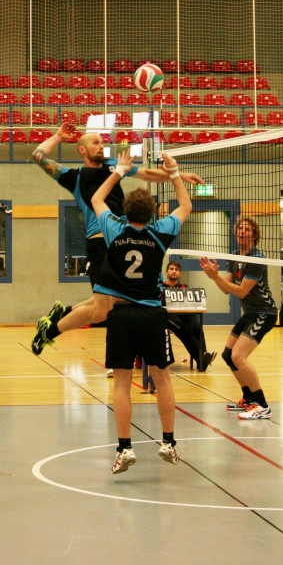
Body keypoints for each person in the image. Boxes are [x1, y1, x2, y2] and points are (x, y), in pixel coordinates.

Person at [28, 123, 203, 356]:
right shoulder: (74, 177)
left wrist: (178, 175)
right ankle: (49, 331)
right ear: (82, 150)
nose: (102, 146)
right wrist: (58, 137)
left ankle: (61, 315)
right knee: (103, 310)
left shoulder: (114, 166)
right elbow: (38, 155)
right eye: (96, 143)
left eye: (102, 142)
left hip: (124, 239)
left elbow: (148, 174)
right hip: (101, 241)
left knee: (113, 299)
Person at [90, 147, 192, 474]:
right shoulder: (161, 232)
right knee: (162, 379)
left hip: (121, 315)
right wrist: (174, 173)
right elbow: (187, 206)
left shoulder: (114, 229)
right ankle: (169, 442)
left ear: (126, 211)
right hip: (151, 314)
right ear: (152, 213)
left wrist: (119, 171)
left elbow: (96, 200)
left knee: (121, 383)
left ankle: (125, 448)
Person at [200, 217, 278, 419]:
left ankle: (262, 405)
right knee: (228, 355)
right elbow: (226, 290)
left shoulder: (256, 258)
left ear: (254, 234)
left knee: (238, 356)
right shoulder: (234, 257)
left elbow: (242, 292)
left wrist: (215, 277)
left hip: (265, 312)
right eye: (240, 229)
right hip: (250, 313)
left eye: (247, 229)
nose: (243, 232)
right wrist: (213, 276)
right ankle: (249, 398)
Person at [161, 261, 215, 371]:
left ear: (180, 273)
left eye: (176, 269)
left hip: (184, 315)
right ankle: (202, 357)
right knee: (181, 326)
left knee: (196, 325)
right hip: (167, 317)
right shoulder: (161, 287)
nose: (174, 271)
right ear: (166, 271)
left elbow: (191, 304)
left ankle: (202, 360)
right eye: (171, 269)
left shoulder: (184, 287)